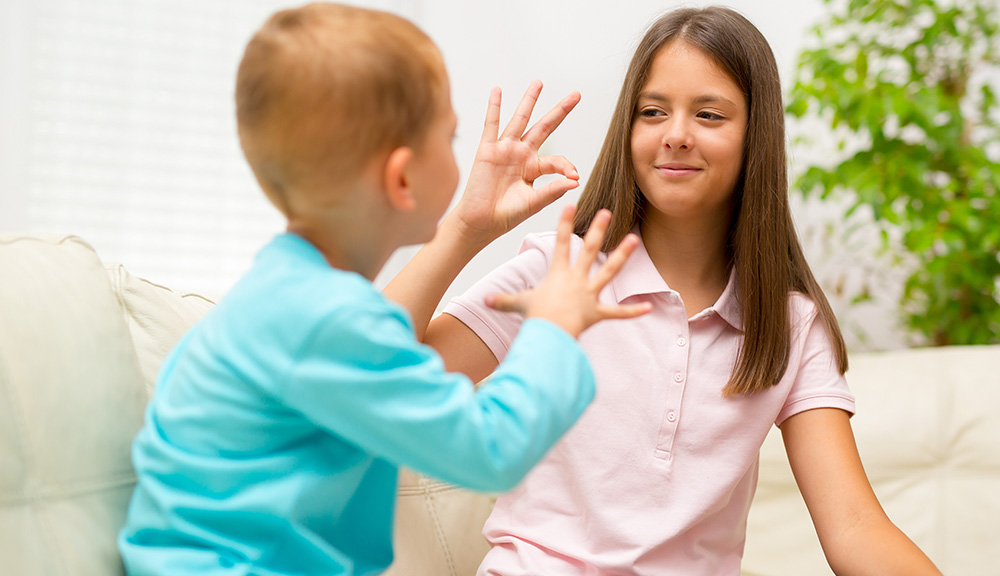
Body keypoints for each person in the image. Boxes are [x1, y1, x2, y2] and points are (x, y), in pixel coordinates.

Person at [393, 6, 944, 576]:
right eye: (652, 112)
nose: (676, 135)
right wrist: (465, 230)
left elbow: (855, 525)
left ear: (756, 134)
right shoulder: (562, 270)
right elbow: (373, 368)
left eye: (709, 115)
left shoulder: (789, 325)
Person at [116, 3, 651, 575]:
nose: (463, 154)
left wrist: (468, 225)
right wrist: (551, 327)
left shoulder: (289, 296)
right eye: (450, 136)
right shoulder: (328, 323)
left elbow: (384, 343)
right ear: (401, 178)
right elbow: (490, 449)